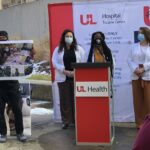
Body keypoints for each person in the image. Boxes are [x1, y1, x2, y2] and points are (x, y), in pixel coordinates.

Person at [52, 29, 86, 129]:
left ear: (73, 38)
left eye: (71, 36)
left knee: (77, 100)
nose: (69, 38)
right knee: (65, 101)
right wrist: (64, 71)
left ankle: (77, 120)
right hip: (63, 77)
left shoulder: (79, 49)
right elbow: (54, 62)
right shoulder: (58, 49)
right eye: (67, 36)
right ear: (63, 37)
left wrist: (76, 72)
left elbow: (83, 62)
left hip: (76, 77)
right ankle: (66, 121)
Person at [0, 31, 27, 142]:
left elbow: (23, 61)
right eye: (0, 38)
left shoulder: (14, 49)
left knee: (17, 109)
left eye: (4, 38)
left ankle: (20, 132)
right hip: (0, 85)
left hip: (13, 84)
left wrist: (30, 52)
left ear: (8, 39)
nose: (2, 39)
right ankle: (2, 133)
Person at [128, 27, 150, 129]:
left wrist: (144, 68)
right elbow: (129, 59)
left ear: (146, 35)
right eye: (138, 33)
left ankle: (148, 124)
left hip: (147, 76)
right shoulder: (133, 47)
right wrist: (135, 69)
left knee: (148, 101)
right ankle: (139, 124)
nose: (139, 35)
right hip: (136, 76)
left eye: (141, 33)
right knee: (137, 101)